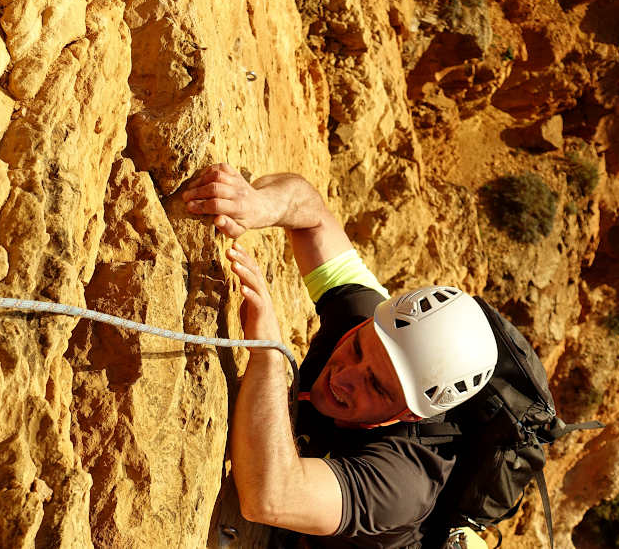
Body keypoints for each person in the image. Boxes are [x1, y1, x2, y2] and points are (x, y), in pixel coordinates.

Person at [181, 164, 497, 548]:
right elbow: (311, 215)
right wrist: (259, 203)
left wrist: (268, 354)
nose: (345, 376)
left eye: (377, 387)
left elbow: (270, 497)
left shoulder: (401, 481)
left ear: (408, 414)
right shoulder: (369, 319)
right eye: (359, 348)